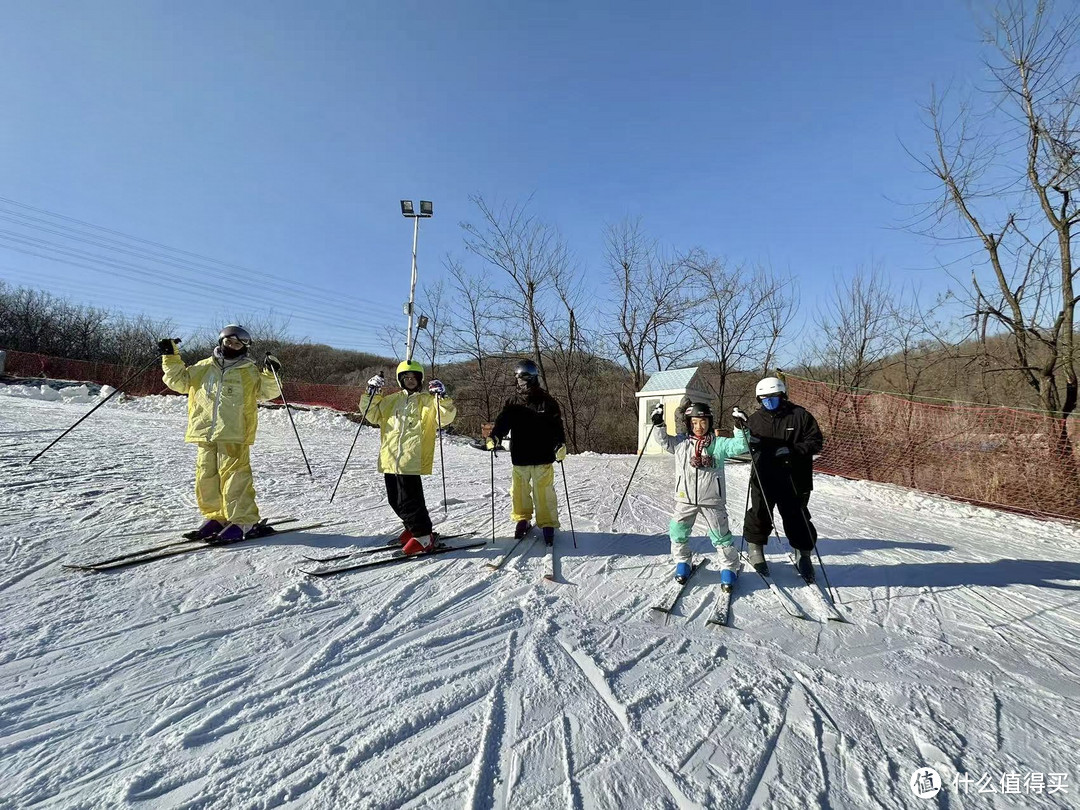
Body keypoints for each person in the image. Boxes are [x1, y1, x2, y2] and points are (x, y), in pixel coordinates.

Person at [160, 325, 281, 542]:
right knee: (206, 476)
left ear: (245, 347)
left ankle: (244, 521)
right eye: (228, 342)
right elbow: (179, 382)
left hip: (235, 432)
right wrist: (170, 357)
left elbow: (268, 392)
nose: (232, 346)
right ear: (221, 341)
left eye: (237, 344)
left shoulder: (249, 371)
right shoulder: (203, 367)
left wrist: (271, 374)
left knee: (235, 478)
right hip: (204, 431)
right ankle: (217, 516)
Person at [360, 359, 455, 555]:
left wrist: (442, 397)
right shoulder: (390, 400)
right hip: (390, 457)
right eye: (406, 378)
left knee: (409, 501)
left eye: (414, 378)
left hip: (411, 458)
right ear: (400, 380)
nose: (410, 380)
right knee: (394, 500)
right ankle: (412, 528)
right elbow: (371, 414)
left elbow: (445, 417)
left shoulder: (427, 402)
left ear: (420, 380)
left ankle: (423, 536)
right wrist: (372, 393)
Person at [652, 401, 749, 584]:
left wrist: (740, 427)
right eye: (694, 422)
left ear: (709, 422)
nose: (699, 427)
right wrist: (658, 424)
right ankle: (683, 561)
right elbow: (663, 440)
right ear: (689, 423)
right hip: (686, 498)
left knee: (721, 535)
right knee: (677, 531)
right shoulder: (681, 443)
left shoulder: (718, 444)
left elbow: (739, 446)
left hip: (712, 499)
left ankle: (729, 567)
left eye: (703, 422)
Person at [741, 376, 824, 581]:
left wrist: (793, 450)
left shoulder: (800, 415)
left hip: (794, 477)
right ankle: (755, 549)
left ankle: (803, 554)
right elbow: (742, 445)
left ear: (783, 395)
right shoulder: (755, 420)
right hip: (764, 476)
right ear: (759, 399)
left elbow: (816, 442)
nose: (769, 401)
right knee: (760, 512)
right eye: (764, 398)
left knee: (797, 515)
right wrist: (742, 432)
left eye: (774, 397)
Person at [486, 359, 567, 545]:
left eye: (522, 379)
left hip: (542, 456)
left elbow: (556, 426)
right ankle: (522, 519)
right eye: (517, 379)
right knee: (519, 492)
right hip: (520, 456)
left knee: (544, 493)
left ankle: (547, 523)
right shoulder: (512, 402)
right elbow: (502, 422)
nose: (519, 383)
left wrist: (560, 444)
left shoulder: (547, 402)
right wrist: (495, 436)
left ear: (531, 379)